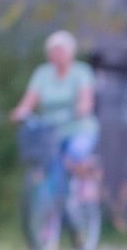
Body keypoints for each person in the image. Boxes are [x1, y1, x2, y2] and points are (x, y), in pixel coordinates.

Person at [9, 30, 100, 185]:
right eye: (52, 51)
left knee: (76, 154)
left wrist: (82, 108)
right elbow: (30, 98)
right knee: (51, 169)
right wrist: (21, 111)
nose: (56, 54)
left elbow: (86, 99)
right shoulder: (42, 73)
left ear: (70, 52)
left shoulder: (81, 72)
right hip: (52, 132)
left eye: (60, 50)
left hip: (79, 127)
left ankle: (86, 192)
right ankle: (52, 205)